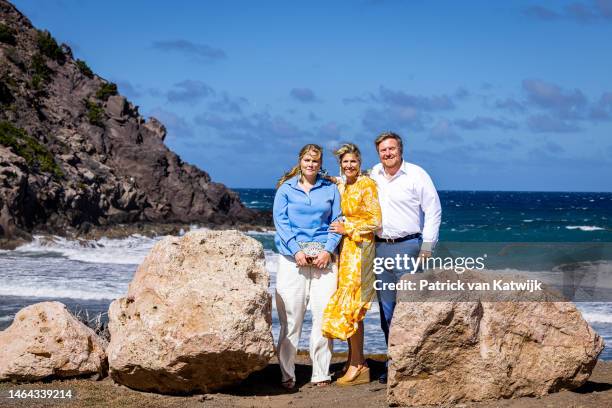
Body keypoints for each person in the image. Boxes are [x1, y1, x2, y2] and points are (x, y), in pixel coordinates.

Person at [369, 131, 442, 384]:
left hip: (409, 247)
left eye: (391, 149)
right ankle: (394, 364)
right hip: (379, 248)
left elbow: (433, 210)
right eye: (383, 150)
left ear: (400, 150)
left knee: (409, 308)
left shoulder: (417, 174)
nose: (387, 153)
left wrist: (427, 247)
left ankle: (413, 362)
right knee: (387, 311)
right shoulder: (374, 174)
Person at [273, 144, 342, 389]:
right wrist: (296, 250)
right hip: (293, 261)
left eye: (315, 161)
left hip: (324, 260)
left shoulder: (331, 188)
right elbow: (281, 223)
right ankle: (287, 373)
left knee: (324, 317)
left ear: (320, 163)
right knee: (291, 318)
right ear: (300, 161)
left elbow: (337, 220)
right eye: (306, 160)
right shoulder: (286, 189)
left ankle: (321, 372)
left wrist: (328, 250)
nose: (310, 164)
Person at [323, 143, 382, 386]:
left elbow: (376, 220)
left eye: (353, 162)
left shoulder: (366, 184)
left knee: (354, 307)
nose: (349, 166)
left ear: (360, 164)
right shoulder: (343, 184)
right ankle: (353, 360)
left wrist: (348, 227)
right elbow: (334, 180)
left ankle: (359, 365)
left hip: (361, 250)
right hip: (346, 251)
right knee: (349, 306)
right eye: (345, 162)